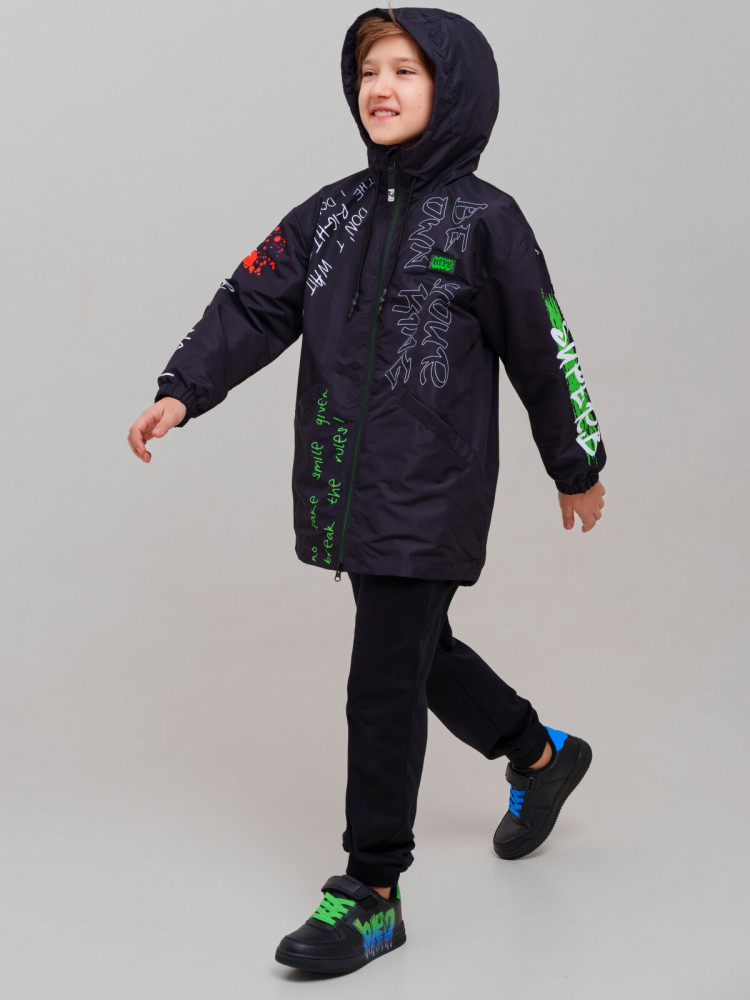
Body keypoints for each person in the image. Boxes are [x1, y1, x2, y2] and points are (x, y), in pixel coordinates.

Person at [128, 5, 606, 976]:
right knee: (418, 655)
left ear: (454, 91)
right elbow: (253, 301)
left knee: (382, 678)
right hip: (347, 479)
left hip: (432, 484)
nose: (379, 88)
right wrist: (184, 388)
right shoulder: (332, 213)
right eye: (367, 71)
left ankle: (373, 889)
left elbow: (543, 345)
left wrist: (577, 460)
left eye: (406, 71)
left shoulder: (487, 222)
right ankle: (542, 754)